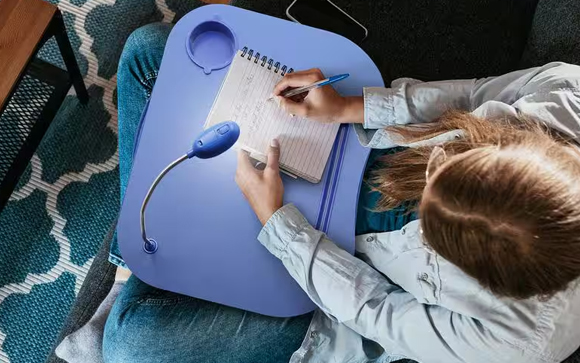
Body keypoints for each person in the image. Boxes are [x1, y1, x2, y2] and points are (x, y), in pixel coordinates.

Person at [103, 23, 580, 363]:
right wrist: (350, 106)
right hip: (354, 152)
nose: (434, 158)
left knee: (130, 346)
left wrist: (278, 223)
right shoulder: (568, 99)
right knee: (149, 52)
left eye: (428, 224)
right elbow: (473, 99)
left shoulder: (522, 342)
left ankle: (143, 253)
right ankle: (153, 250)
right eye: (453, 155)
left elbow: (377, 310)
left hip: (340, 284)